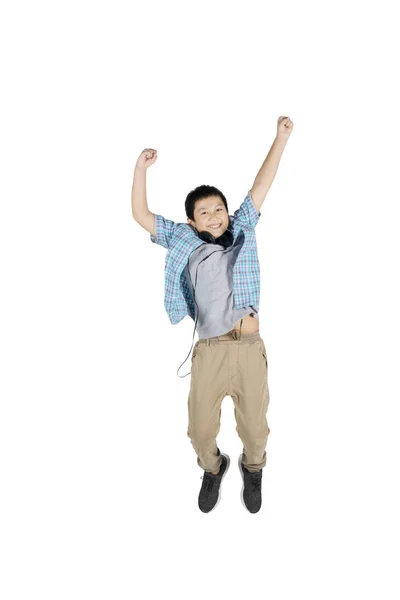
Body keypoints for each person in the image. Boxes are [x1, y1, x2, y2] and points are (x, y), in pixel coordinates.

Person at [131, 116, 294, 513]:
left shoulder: (241, 227)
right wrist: (140, 170)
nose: (215, 215)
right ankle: (213, 467)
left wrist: (281, 138)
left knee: (256, 432)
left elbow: (261, 186)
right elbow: (141, 215)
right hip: (210, 349)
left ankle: (252, 469)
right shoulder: (183, 239)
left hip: (249, 345)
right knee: (200, 430)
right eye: (205, 212)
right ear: (192, 221)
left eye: (218, 208)